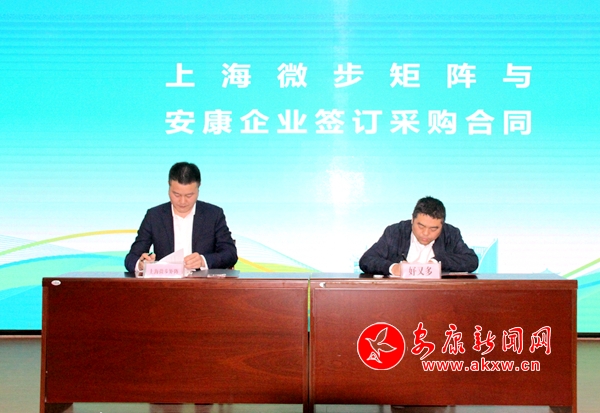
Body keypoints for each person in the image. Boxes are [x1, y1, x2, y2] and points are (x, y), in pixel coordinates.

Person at [125, 162, 237, 273]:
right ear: (169, 186)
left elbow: (230, 254)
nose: (182, 201)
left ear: (198, 188)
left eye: (189, 195)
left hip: (202, 282)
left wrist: (203, 261)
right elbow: (131, 258)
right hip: (166, 282)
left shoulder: (213, 214)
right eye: (176, 195)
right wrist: (141, 264)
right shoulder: (154, 216)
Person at [359, 196, 478, 275]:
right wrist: (394, 268)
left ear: (442, 225)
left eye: (433, 229)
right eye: (421, 226)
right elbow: (366, 260)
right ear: (412, 219)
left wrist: (438, 262)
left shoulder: (450, 234)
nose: (426, 233)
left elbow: (471, 261)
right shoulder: (396, 232)